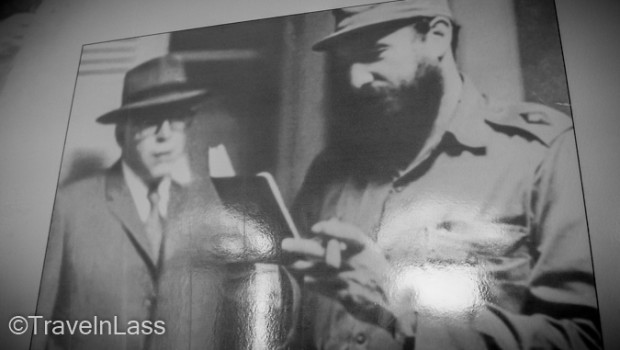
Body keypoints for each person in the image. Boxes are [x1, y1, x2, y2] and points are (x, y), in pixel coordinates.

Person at [282, 1, 601, 349]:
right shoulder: (329, 171)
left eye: (376, 52)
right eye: (346, 61)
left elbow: (586, 339)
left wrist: (398, 305)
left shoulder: (543, 155)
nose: (356, 79)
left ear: (436, 36)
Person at [33, 55, 228, 349]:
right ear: (121, 132)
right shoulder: (68, 207)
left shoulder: (205, 208)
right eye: (150, 119)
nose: (165, 135)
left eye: (176, 117)